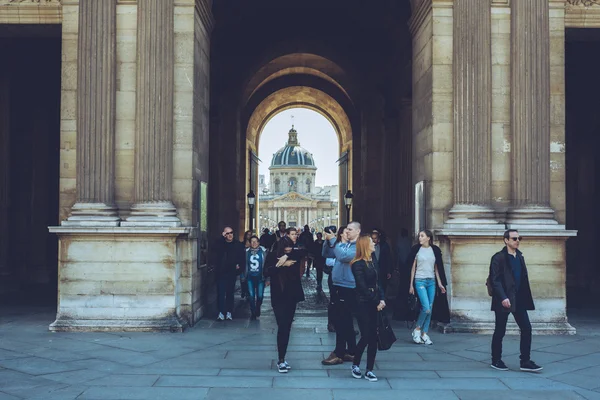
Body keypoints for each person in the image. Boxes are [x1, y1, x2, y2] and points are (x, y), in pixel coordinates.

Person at [489, 229, 542, 372]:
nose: (517, 241)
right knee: (500, 330)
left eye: (519, 238)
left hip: (518, 300)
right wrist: (503, 297)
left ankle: (525, 361)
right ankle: (496, 360)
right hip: (504, 300)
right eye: (514, 238)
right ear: (506, 240)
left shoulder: (519, 256)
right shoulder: (498, 257)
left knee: (526, 328)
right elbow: (495, 280)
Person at [263, 227, 307, 373]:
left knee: (286, 327)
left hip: (291, 295)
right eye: (287, 246)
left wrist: (288, 256)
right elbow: (267, 271)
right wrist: (280, 263)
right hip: (278, 295)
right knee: (282, 326)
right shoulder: (272, 256)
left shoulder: (295, 254)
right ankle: (281, 359)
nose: (289, 248)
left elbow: (304, 251)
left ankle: (282, 358)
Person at [321, 221, 361, 365]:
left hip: (348, 286)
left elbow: (344, 257)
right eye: (346, 230)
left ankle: (339, 352)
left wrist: (335, 241)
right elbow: (326, 253)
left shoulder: (358, 247)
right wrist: (329, 241)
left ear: (357, 231)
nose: (347, 232)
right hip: (339, 285)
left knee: (340, 320)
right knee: (346, 320)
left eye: (349, 230)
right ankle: (351, 350)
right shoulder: (344, 245)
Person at [351, 234, 386, 382]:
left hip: (375, 301)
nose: (374, 243)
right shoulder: (357, 264)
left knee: (373, 337)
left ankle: (369, 369)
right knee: (366, 335)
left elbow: (379, 282)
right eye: (371, 242)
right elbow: (362, 287)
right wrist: (376, 301)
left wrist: (382, 298)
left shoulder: (373, 260)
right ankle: (355, 363)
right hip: (362, 303)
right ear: (365, 245)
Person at [408, 229, 447, 344]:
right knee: (426, 307)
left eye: (422, 236)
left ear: (428, 238)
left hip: (432, 281)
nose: (419, 238)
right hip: (419, 280)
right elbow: (412, 268)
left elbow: (436, 268)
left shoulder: (434, 250)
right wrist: (411, 285)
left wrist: (440, 283)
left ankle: (424, 333)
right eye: (419, 236)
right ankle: (417, 328)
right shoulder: (416, 250)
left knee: (430, 307)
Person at [211, 226, 245, 321]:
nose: (230, 235)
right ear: (224, 234)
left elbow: (242, 259)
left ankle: (229, 312)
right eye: (227, 233)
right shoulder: (220, 244)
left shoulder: (238, 245)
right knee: (221, 293)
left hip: (231, 273)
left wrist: (239, 269)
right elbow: (215, 249)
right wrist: (222, 239)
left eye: (231, 233)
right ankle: (221, 312)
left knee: (230, 293)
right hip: (221, 273)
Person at [245, 235, 268, 320]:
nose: (254, 243)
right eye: (252, 241)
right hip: (250, 277)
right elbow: (244, 265)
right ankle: (253, 311)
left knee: (260, 296)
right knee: (251, 296)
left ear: (259, 242)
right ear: (250, 243)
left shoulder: (264, 252)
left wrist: (267, 277)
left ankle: (258, 307)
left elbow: (267, 265)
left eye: (256, 241)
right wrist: (243, 276)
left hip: (260, 277)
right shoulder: (246, 252)